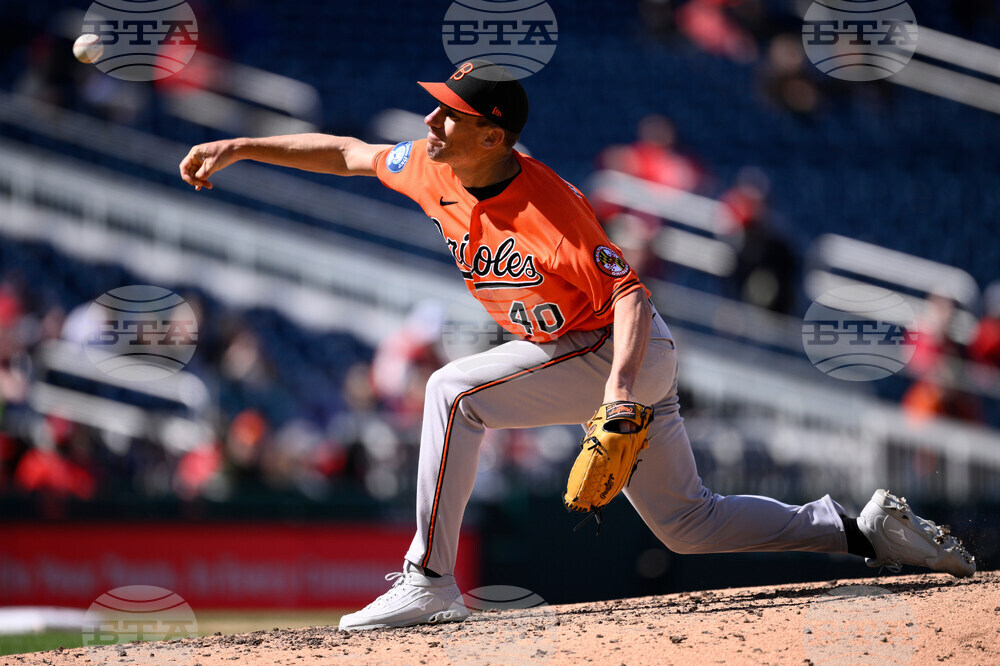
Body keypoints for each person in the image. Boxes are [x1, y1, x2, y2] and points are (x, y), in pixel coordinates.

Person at [179, 59, 975, 631]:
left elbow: (630, 294)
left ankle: (427, 580)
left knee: (451, 392)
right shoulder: (431, 167)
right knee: (687, 525)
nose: (431, 119)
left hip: (611, 349)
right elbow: (348, 153)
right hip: (596, 355)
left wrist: (621, 391)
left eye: (449, 112)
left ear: (493, 134)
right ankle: (860, 528)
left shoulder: (552, 209)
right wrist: (243, 147)